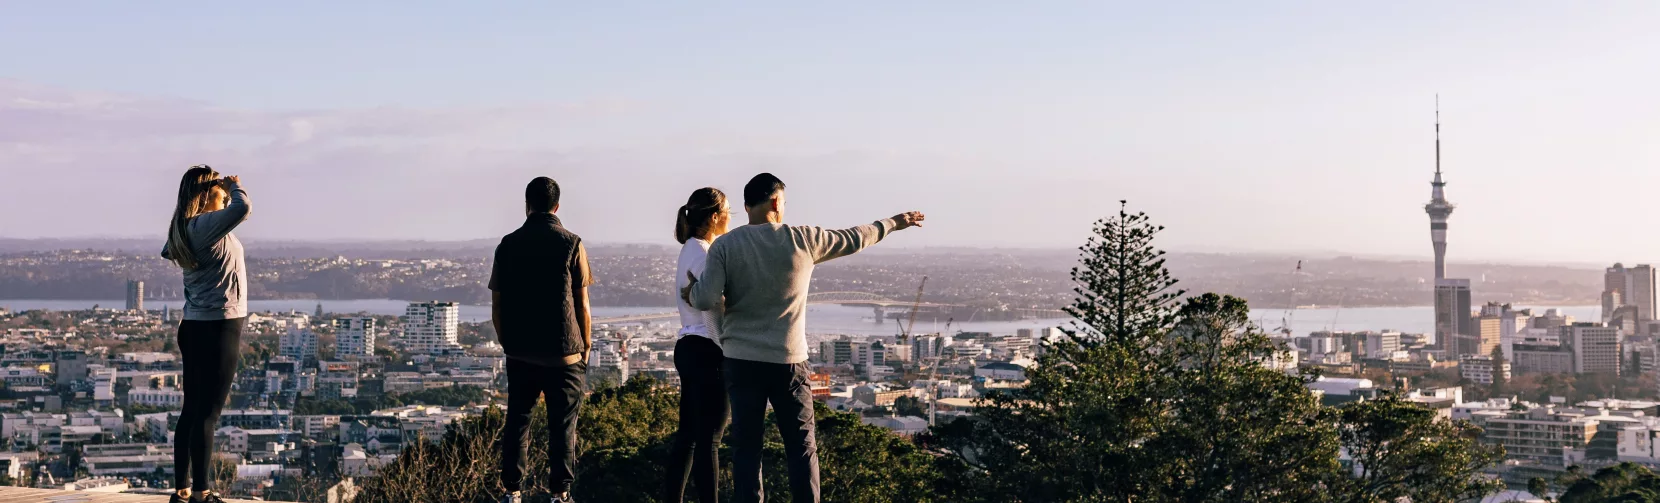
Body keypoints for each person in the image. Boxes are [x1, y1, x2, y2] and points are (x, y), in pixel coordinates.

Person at [685, 173, 925, 503]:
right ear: (775, 202)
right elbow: (855, 237)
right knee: (800, 446)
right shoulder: (803, 239)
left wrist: (691, 290)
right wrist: (893, 223)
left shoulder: (726, 245)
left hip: (741, 361)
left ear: (746, 206)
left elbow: (704, 299)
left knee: (747, 448)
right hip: (788, 361)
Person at [489, 177, 594, 503]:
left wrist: (508, 343)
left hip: (521, 353)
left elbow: (498, 305)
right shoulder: (572, 243)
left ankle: (512, 490)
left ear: (527, 205)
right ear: (557, 206)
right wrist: (585, 347)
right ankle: (560, 493)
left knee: (518, 422)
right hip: (565, 354)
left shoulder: (508, 245)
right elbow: (582, 304)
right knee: (562, 426)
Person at [160, 166, 250, 503]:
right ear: (204, 193)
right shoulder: (202, 226)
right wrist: (235, 187)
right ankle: (201, 493)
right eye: (217, 187)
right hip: (219, 327)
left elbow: (170, 250)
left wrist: (222, 193)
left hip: (195, 325)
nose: (223, 190)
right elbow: (242, 209)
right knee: (208, 414)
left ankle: (182, 490)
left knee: (191, 411)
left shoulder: (186, 228)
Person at [663, 188, 733, 503]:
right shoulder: (706, 254)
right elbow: (715, 306)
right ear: (715, 217)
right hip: (709, 350)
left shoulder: (690, 248)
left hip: (688, 346)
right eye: (728, 211)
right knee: (710, 441)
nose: (732, 217)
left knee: (689, 438)